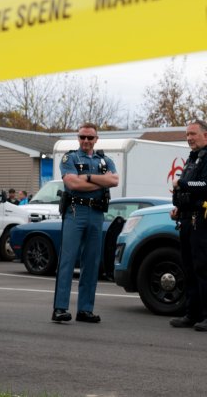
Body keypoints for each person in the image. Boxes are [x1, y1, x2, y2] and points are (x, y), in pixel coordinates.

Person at [52, 123, 119, 323]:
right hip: (75, 211)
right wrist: (100, 181)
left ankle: (85, 310)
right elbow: (72, 183)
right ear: (78, 138)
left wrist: (87, 177)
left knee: (91, 262)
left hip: (96, 213)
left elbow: (114, 180)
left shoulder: (105, 160)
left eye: (90, 138)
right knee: (67, 260)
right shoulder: (70, 158)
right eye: (82, 137)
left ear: (96, 139)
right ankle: (60, 308)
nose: (86, 141)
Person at [169, 119, 207, 332]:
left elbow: (206, 185)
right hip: (187, 219)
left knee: (204, 268)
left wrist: (181, 183)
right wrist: (179, 208)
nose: (189, 138)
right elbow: (187, 191)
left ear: (205, 134)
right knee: (190, 269)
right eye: (187, 134)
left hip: (204, 221)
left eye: (193, 134)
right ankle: (192, 314)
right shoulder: (193, 159)